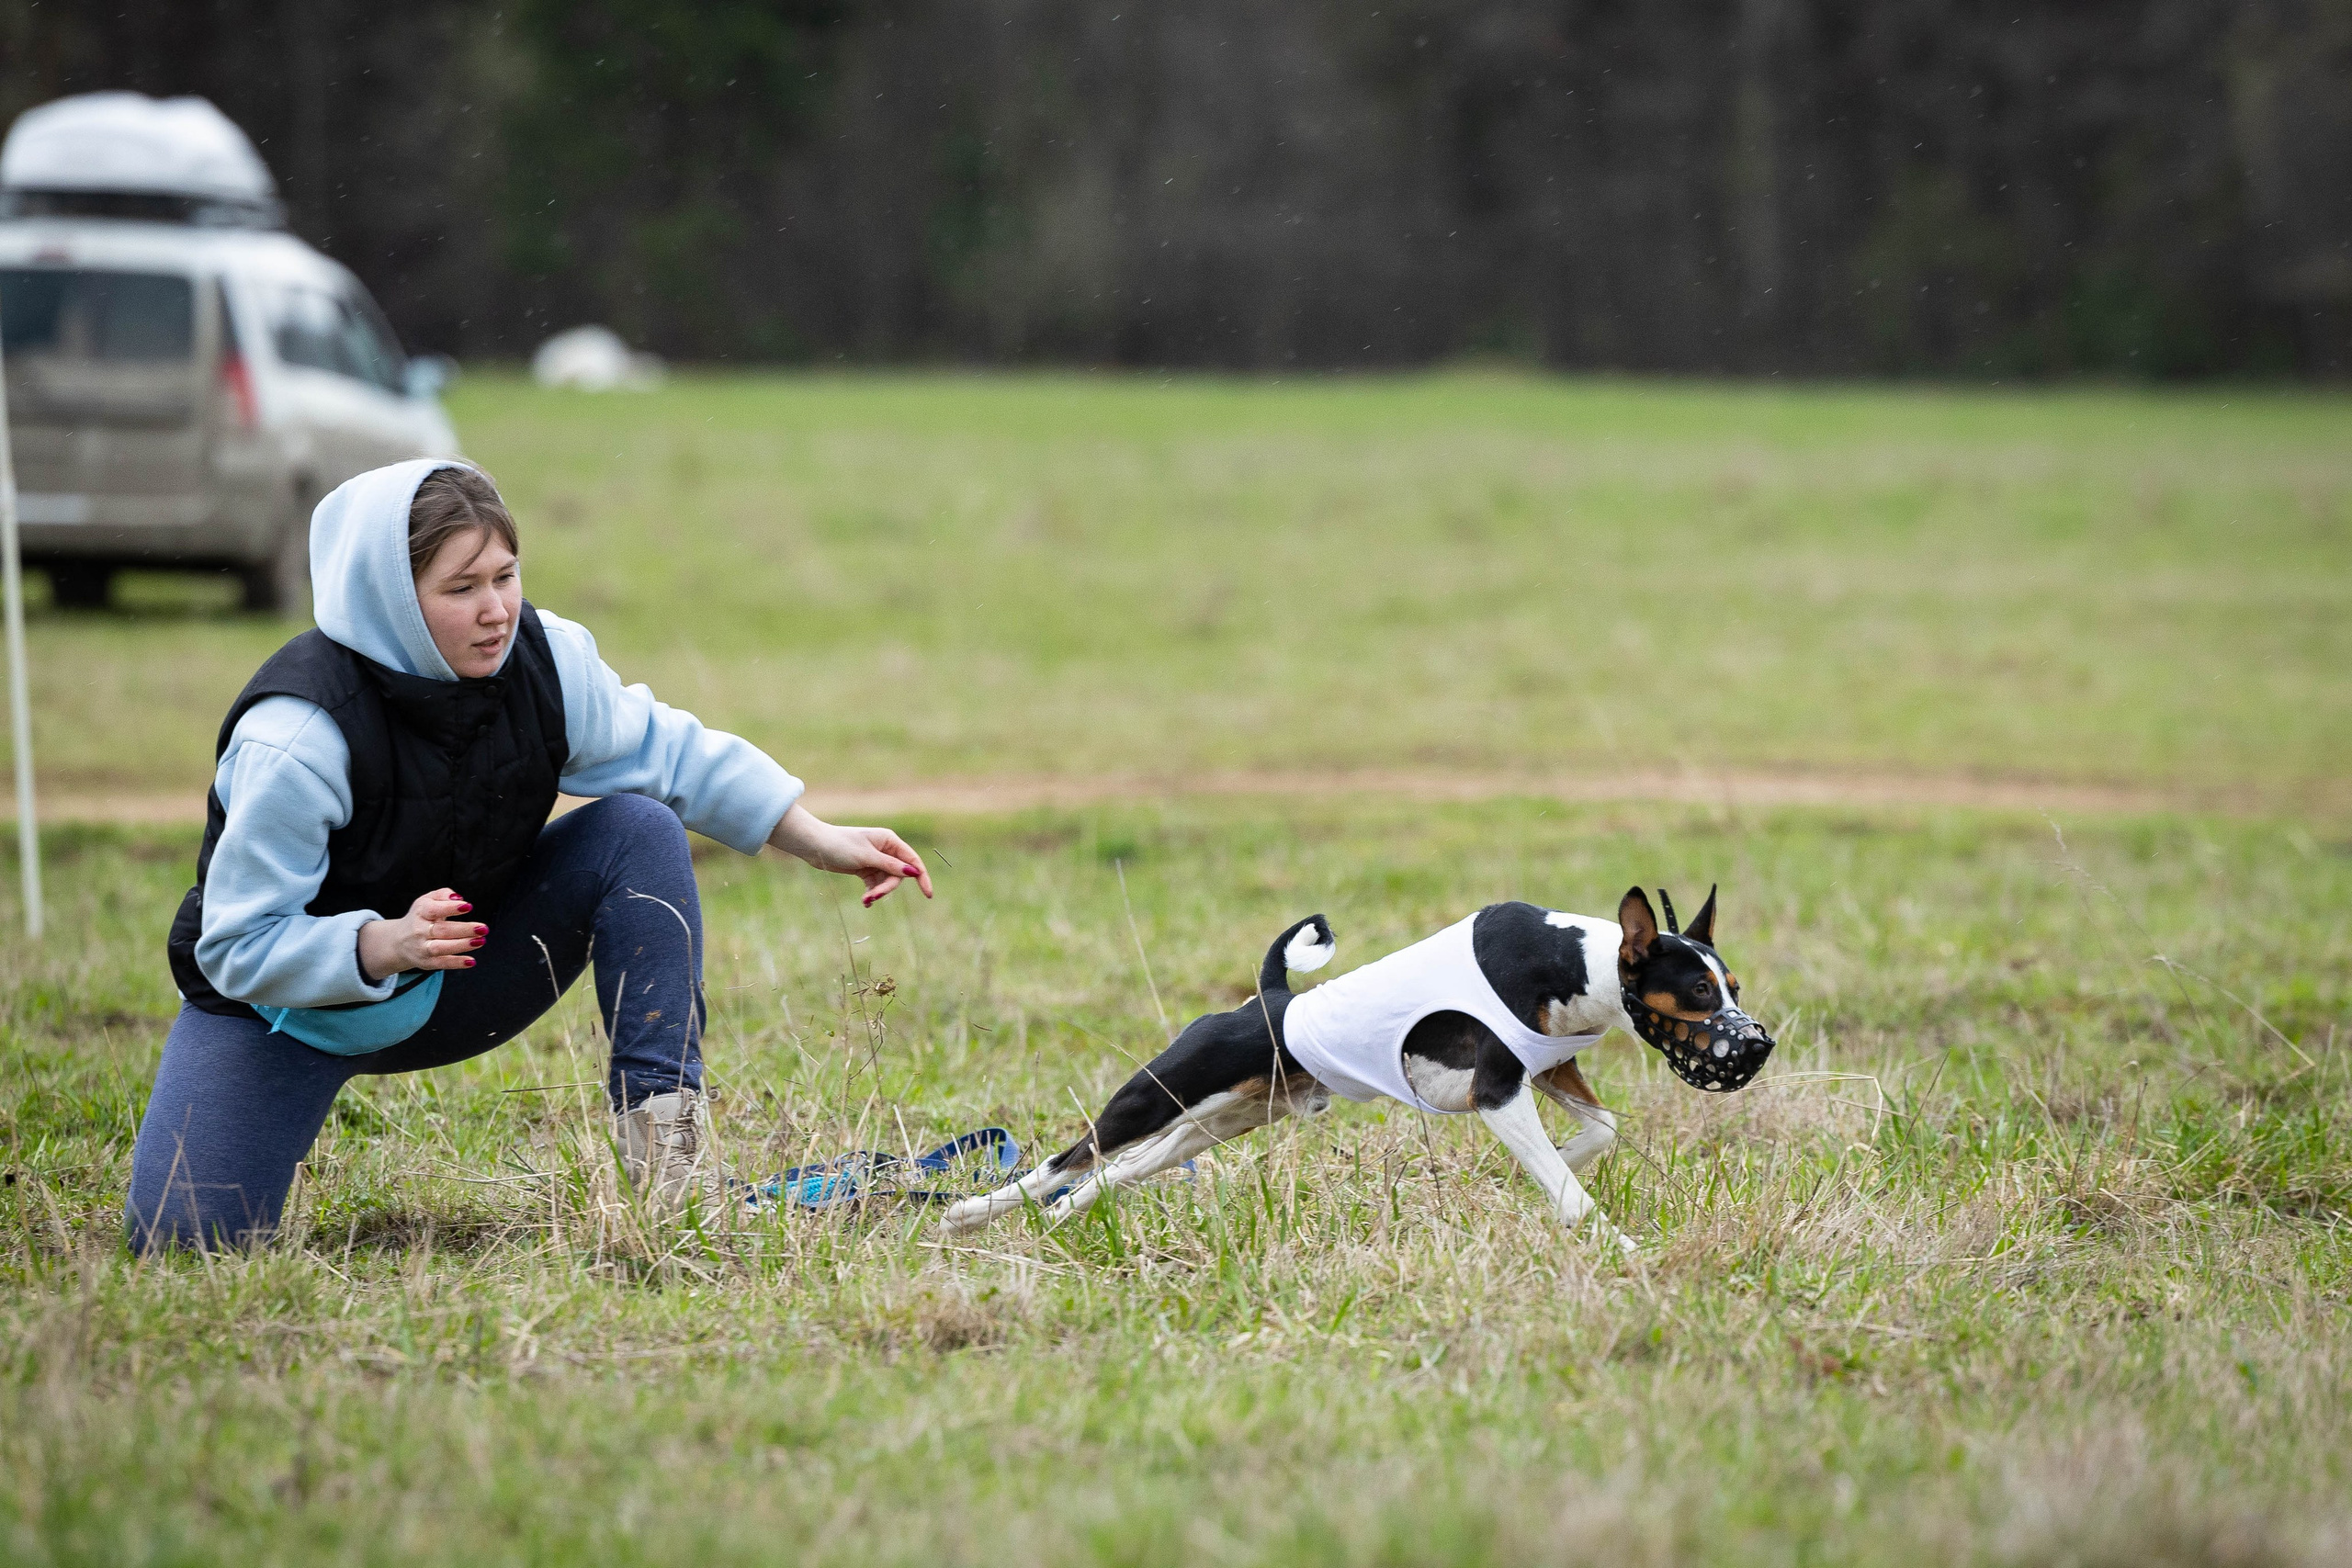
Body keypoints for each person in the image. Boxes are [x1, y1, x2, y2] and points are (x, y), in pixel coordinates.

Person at [125, 459, 932, 1251]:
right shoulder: (296, 738)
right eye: (461, 588)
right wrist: (380, 944)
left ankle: (671, 1173)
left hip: (456, 977)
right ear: (391, 599)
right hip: (283, 1012)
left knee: (638, 827)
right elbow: (234, 943)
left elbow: (671, 755)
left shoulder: (547, 660)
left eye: (505, 577)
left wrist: (818, 838)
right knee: (183, 1239)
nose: (497, 611)